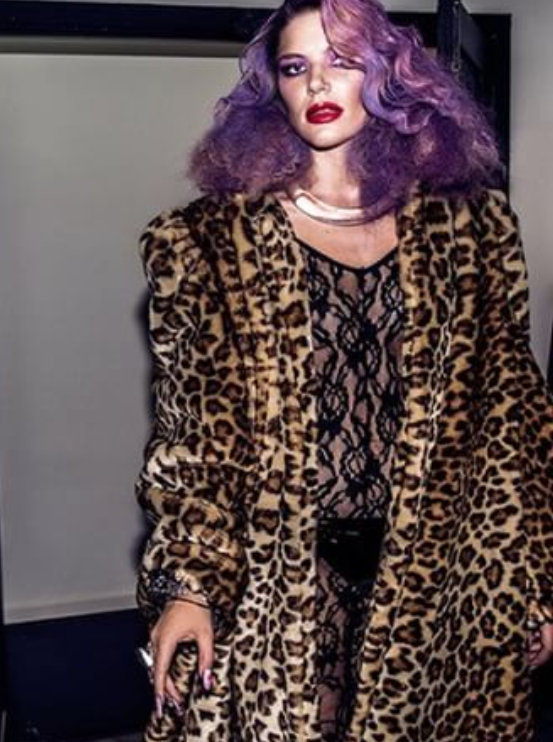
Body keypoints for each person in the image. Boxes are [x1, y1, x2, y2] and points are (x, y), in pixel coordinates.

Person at [133, 1, 553, 740]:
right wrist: (189, 587)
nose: (318, 84)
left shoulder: (475, 231)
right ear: (274, 86)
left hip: (441, 579)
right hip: (280, 580)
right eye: (295, 67)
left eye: (344, 61)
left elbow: (513, 425)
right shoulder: (205, 244)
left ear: (388, 75)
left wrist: (533, 580)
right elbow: (195, 438)